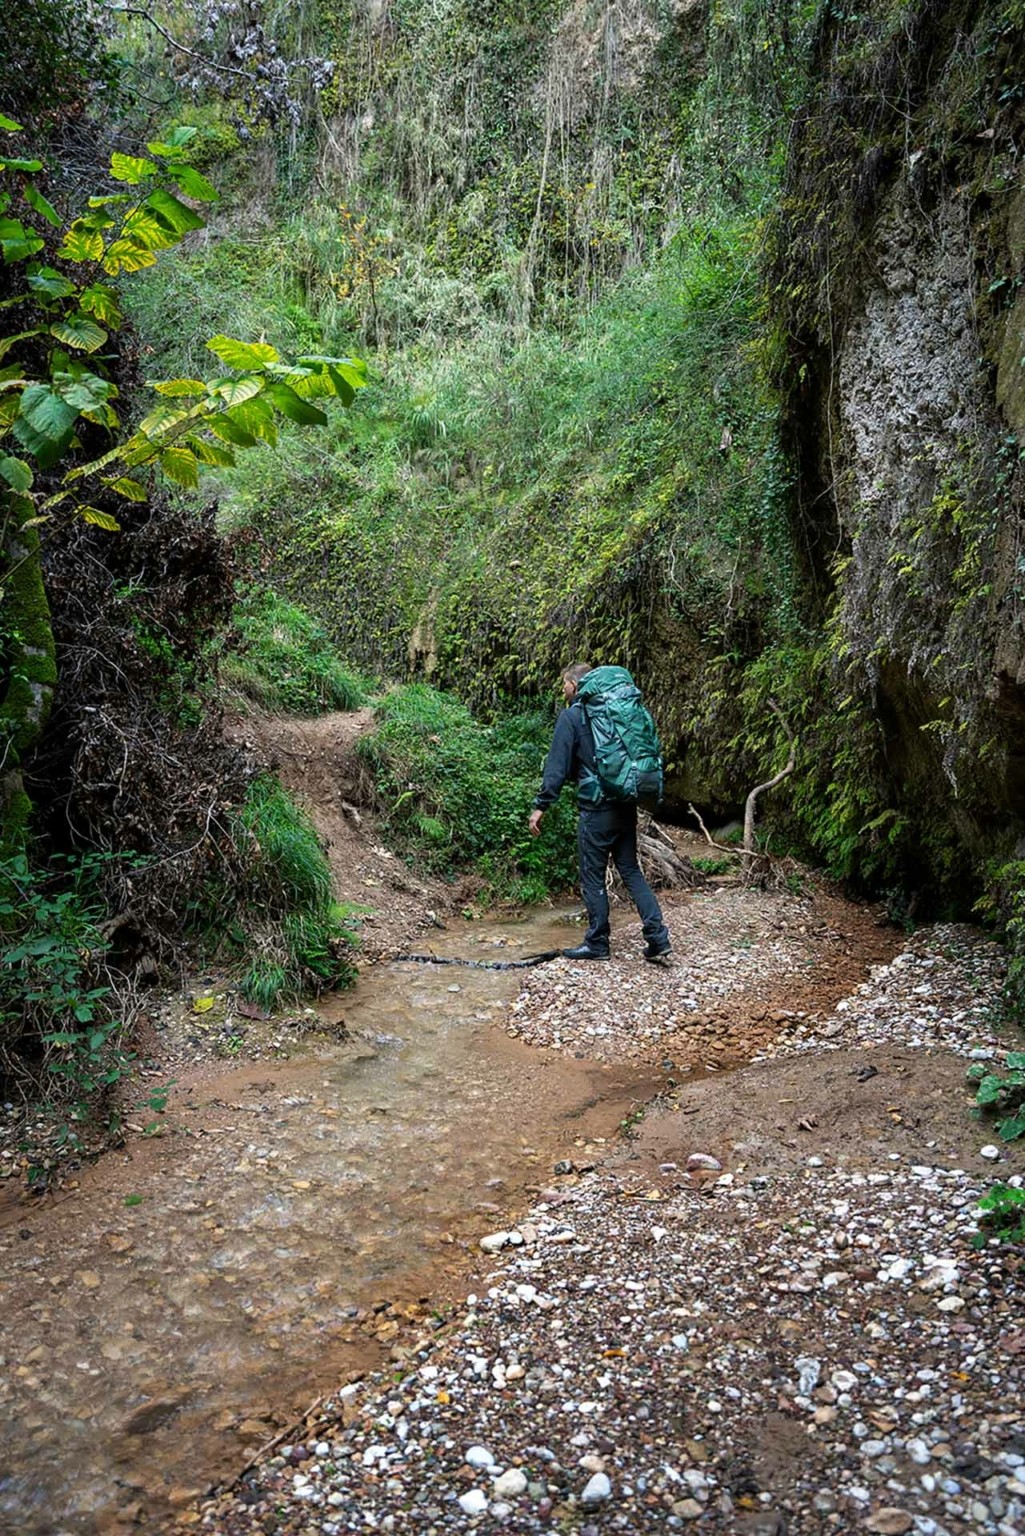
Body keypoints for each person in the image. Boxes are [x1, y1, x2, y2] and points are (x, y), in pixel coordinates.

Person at [528, 663, 672, 962]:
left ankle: (597, 943)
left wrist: (541, 805)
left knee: (592, 876)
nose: (563, 690)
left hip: (596, 810)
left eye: (565, 685)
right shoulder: (616, 714)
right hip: (624, 805)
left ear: (576, 685)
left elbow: (557, 767)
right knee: (631, 871)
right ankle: (658, 939)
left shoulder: (573, 716)